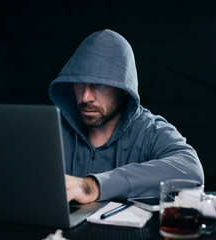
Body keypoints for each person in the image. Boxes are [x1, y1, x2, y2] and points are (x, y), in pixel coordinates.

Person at [48, 29, 204, 204]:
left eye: (99, 85)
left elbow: (191, 171)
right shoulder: (52, 129)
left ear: (123, 89)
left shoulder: (150, 130)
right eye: (80, 84)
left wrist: (93, 186)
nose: (86, 97)